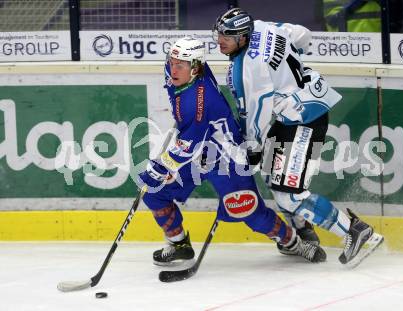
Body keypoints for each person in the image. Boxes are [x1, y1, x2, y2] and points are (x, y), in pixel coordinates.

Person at [213, 8, 384, 266]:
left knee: (288, 194)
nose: (220, 40)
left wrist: (253, 146)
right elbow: (302, 35)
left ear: (243, 37)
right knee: (273, 177)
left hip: (301, 120)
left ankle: (355, 231)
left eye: (228, 36)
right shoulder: (263, 25)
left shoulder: (248, 68)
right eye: (219, 34)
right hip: (303, 108)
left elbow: (258, 111)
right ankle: (305, 234)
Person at [138, 37, 327, 266]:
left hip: (227, 158)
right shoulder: (182, 74)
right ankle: (179, 244)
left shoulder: (200, 100)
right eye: (172, 62)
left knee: (249, 211)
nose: (173, 69)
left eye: (181, 65)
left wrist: (160, 166)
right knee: (153, 191)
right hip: (199, 153)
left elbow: (190, 144)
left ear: (195, 67)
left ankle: (294, 243)